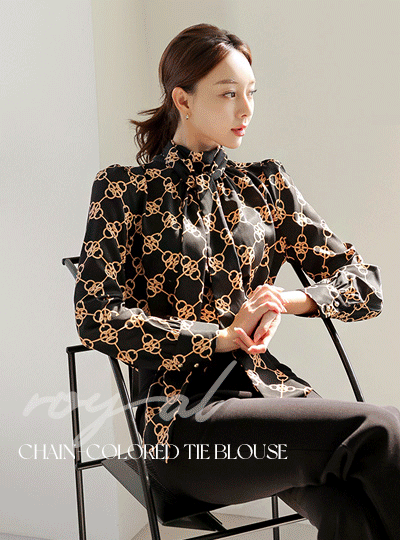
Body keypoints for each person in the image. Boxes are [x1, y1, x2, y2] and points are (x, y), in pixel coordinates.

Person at [74, 23, 400, 539]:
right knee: (382, 427)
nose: (245, 109)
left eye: (251, 92)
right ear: (182, 99)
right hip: (181, 422)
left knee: (350, 508)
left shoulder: (265, 186)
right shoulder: (124, 191)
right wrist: (220, 337)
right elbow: (96, 315)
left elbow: (366, 286)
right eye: (228, 94)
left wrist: (289, 298)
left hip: (270, 400)